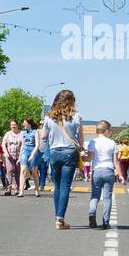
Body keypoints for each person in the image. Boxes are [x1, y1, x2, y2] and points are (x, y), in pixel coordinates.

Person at [40, 90, 83, 228]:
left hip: (54, 152)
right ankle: (60, 219)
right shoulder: (76, 116)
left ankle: (58, 217)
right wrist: (81, 150)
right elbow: (81, 139)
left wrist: (44, 126)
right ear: (71, 101)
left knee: (57, 185)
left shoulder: (49, 117)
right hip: (70, 152)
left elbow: (43, 136)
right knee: (65, 185)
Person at [87, 120, 123, 229]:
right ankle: (105, 222)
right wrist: (120, 175)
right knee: (107, 198)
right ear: (106, 131)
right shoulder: (112, 143)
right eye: (110, 131)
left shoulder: (93, 142)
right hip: (108, 170)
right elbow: (116, 161)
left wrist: (80, 158)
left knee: (95, 196)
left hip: (97, 171)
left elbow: (89, 158)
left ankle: (92, 213)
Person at [3, 120, 24, 196]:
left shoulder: (21, 134)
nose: (13, 126)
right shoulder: (7, 134)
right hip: (9, 155)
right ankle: (8, 189)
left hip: (19, 155)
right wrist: (5, 152)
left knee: (18, 172)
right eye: (12, 125)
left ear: (17, 125)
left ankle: (17, 189)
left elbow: (23, 146)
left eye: (14, 124)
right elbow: (3, 144)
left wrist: (20, 157)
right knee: (9, 171)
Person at [20, 118, 41, 197]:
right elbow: (22, 145)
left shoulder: (35, 132)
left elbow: (37, 145)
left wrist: (32, 154)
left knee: (34, 172)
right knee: (23, 171)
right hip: (25, 152)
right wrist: (20, 156)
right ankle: (21, 191)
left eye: (24, 123)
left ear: (29, 124)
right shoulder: (23, 133)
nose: (23, 124)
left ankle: (37, 190)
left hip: (33, 151)